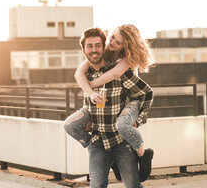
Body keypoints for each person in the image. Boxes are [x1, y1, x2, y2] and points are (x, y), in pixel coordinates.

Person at [64, 27, 154, 188]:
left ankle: (143, 154)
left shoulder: (123, 67)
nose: (112, 43)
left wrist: (138, 120)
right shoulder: (87, 72)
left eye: (98, 45)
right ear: (83, 49)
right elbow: (78, 74)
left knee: (133, 184)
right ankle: (97, 149)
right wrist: (89, 92)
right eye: (112, 38)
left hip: (121, 139)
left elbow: (142, 90)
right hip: (99, 141)